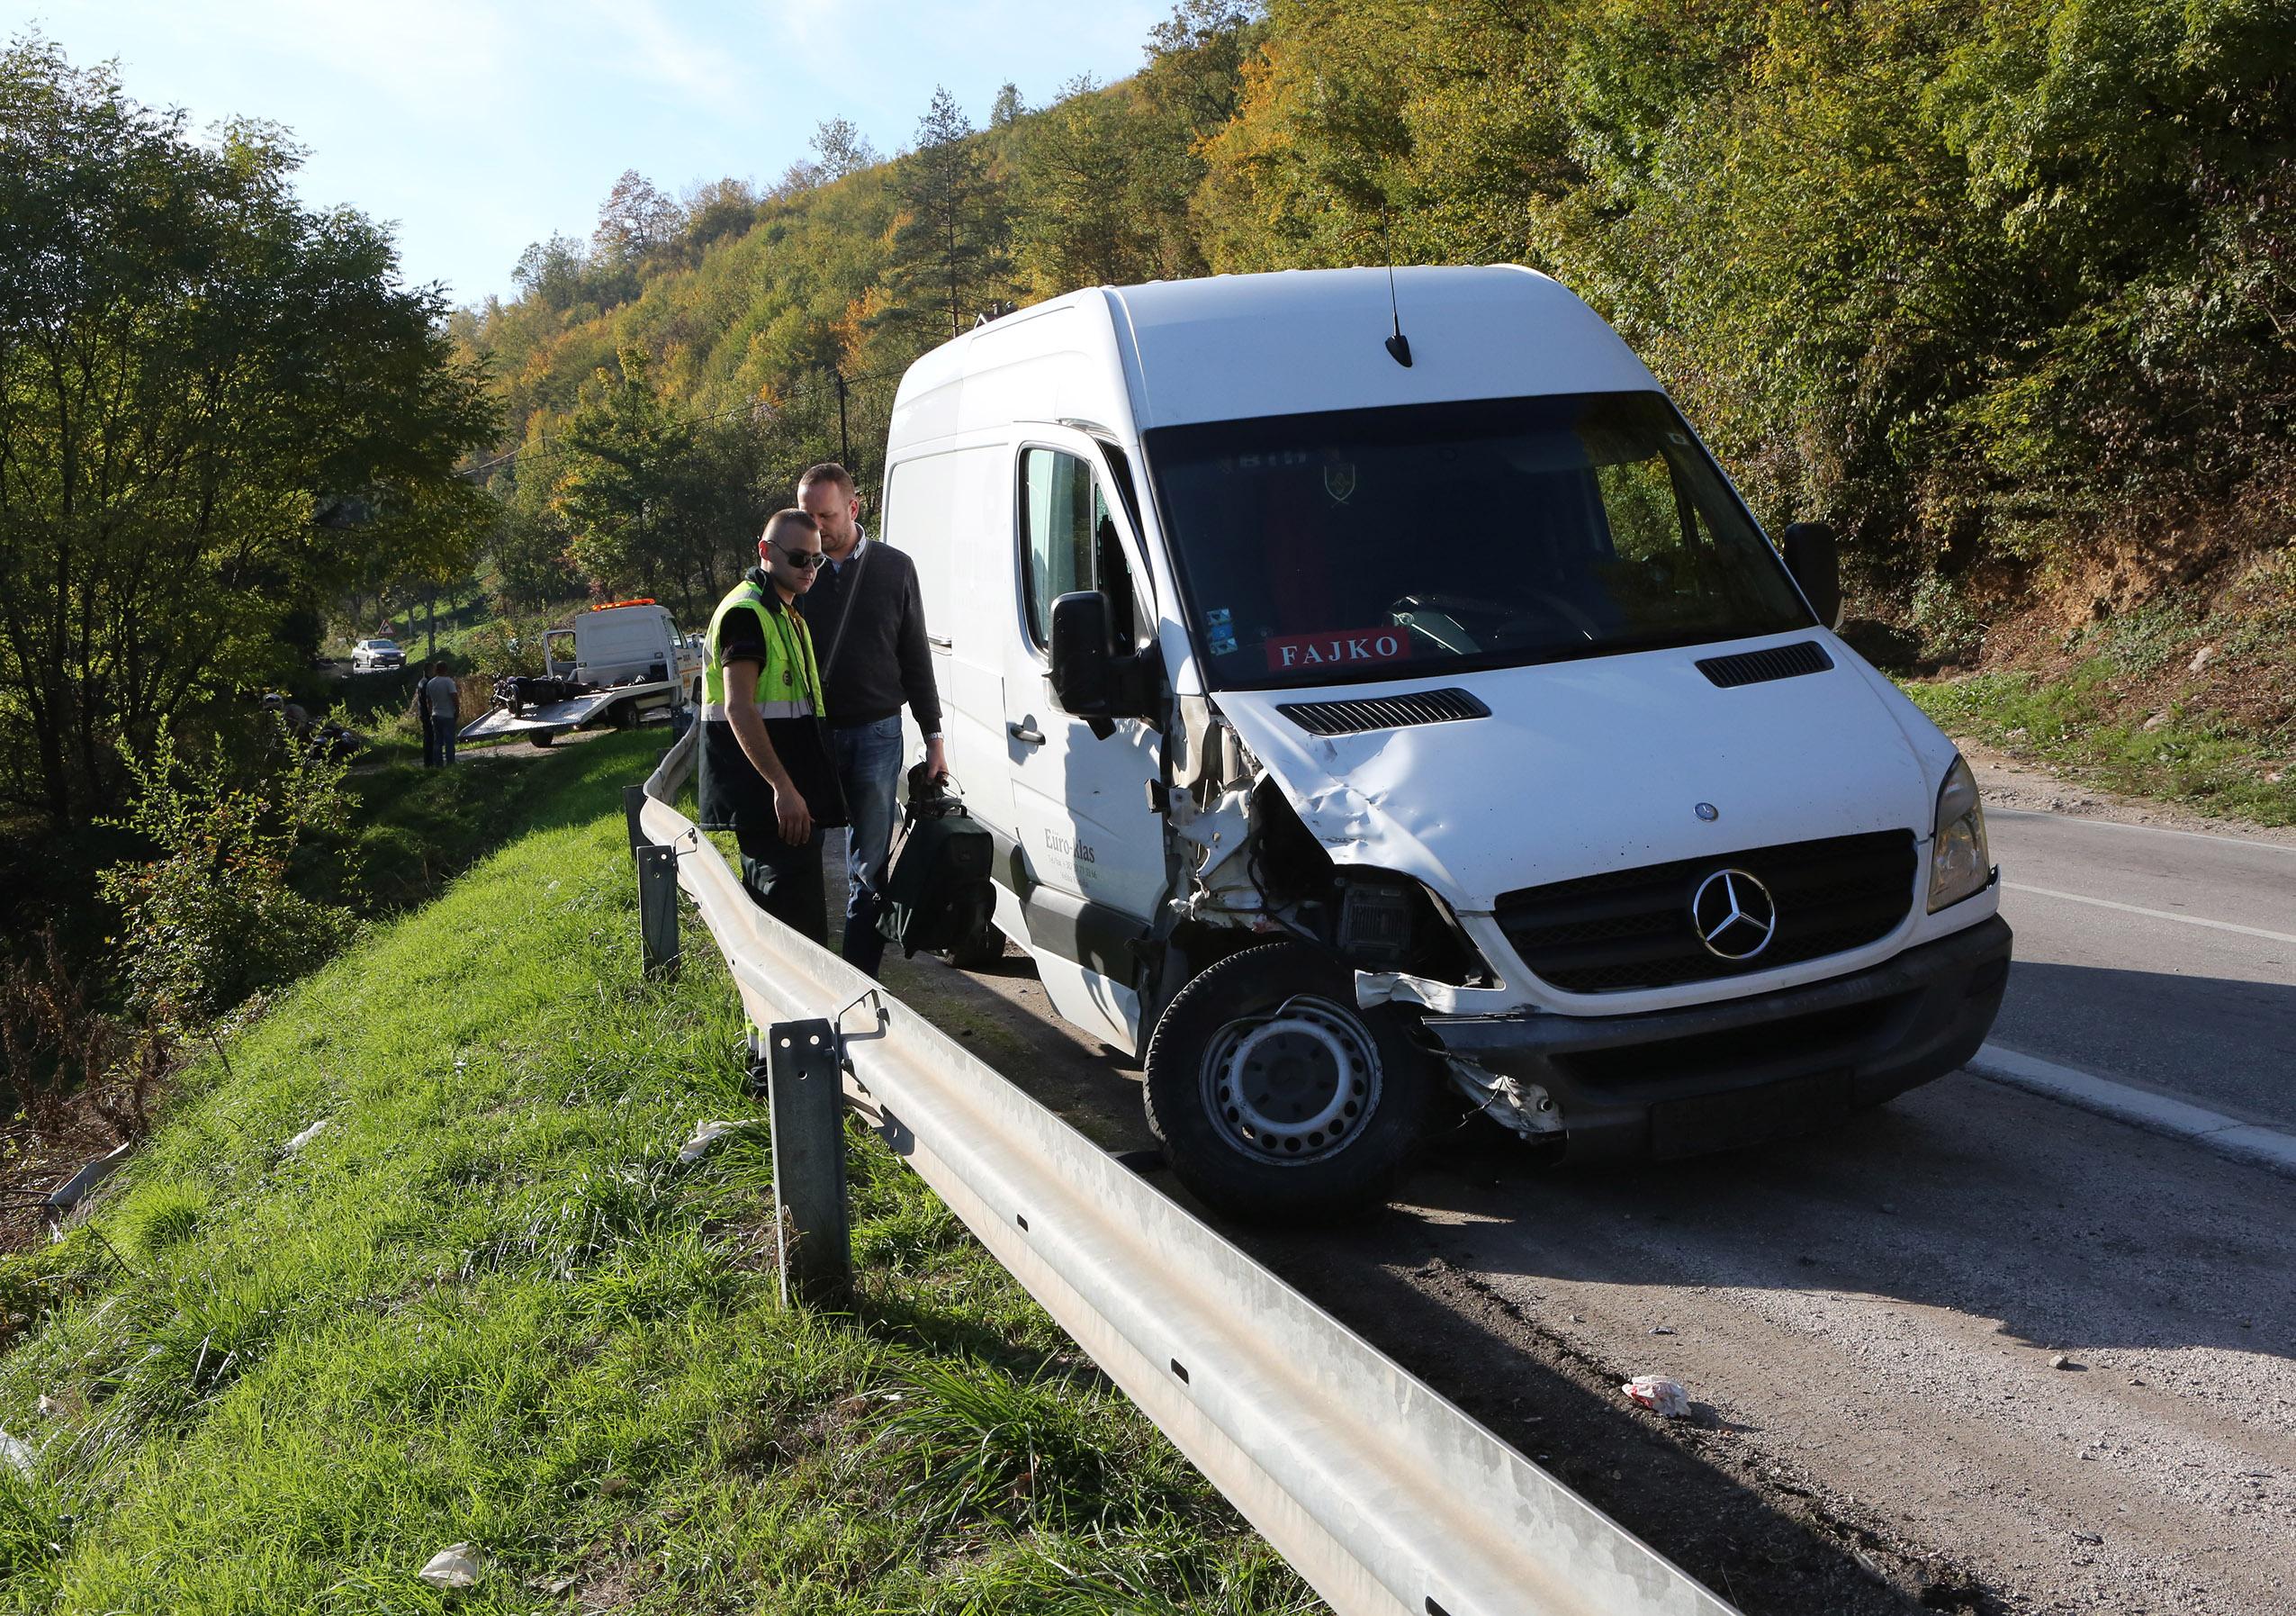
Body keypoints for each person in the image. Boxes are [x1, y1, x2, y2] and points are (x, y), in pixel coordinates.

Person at [795, 462, 945, 977]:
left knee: (870, 869)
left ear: (854, 508)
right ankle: (808, 979)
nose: (815, 527)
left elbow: (915, 657)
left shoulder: (894, 567)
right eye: (807, 515)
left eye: (826, 515)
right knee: (798, 861)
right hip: (810, 736)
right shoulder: (796, 573)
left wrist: (934, 738)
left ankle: (856, 983)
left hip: (878, 733)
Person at [697, 508, 848, 944]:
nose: (809, 570)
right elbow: (739, 709)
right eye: (799, 559)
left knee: (800, 934)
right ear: (765, 551)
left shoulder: (785, 613)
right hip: (772, 806)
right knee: (787, 940)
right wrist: (783, 787)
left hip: (791, 804)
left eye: (817, 560)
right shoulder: (747, 613)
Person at [420, 663, 460, 767]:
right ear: (446, 670)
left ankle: (438, 764)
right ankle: (451, 763)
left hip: (435, 714)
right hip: (447, 714)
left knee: (437, 741)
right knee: (449, 741)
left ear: (436, 670)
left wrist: (430, 713)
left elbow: (429, 701)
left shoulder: (430, 683)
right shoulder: (448, 682)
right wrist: (457, 710)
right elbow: (454, 697)